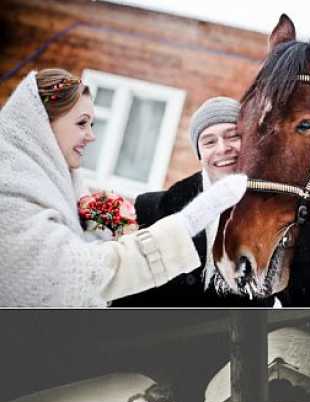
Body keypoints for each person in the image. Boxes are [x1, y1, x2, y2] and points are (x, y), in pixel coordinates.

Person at [0, 70, 246, 307]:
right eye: (81, 123)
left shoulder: (60, 187)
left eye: (93, 124)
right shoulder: (10, 198)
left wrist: (99, 232)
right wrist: (188, 223)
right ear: (44, 126)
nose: (91, 136)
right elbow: (76, 279)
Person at [123, 91, 310, 307]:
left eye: (233, 136)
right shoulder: (151, 209)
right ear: (200, 154)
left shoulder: (279, 218)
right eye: (209, 142)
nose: (223, 148)